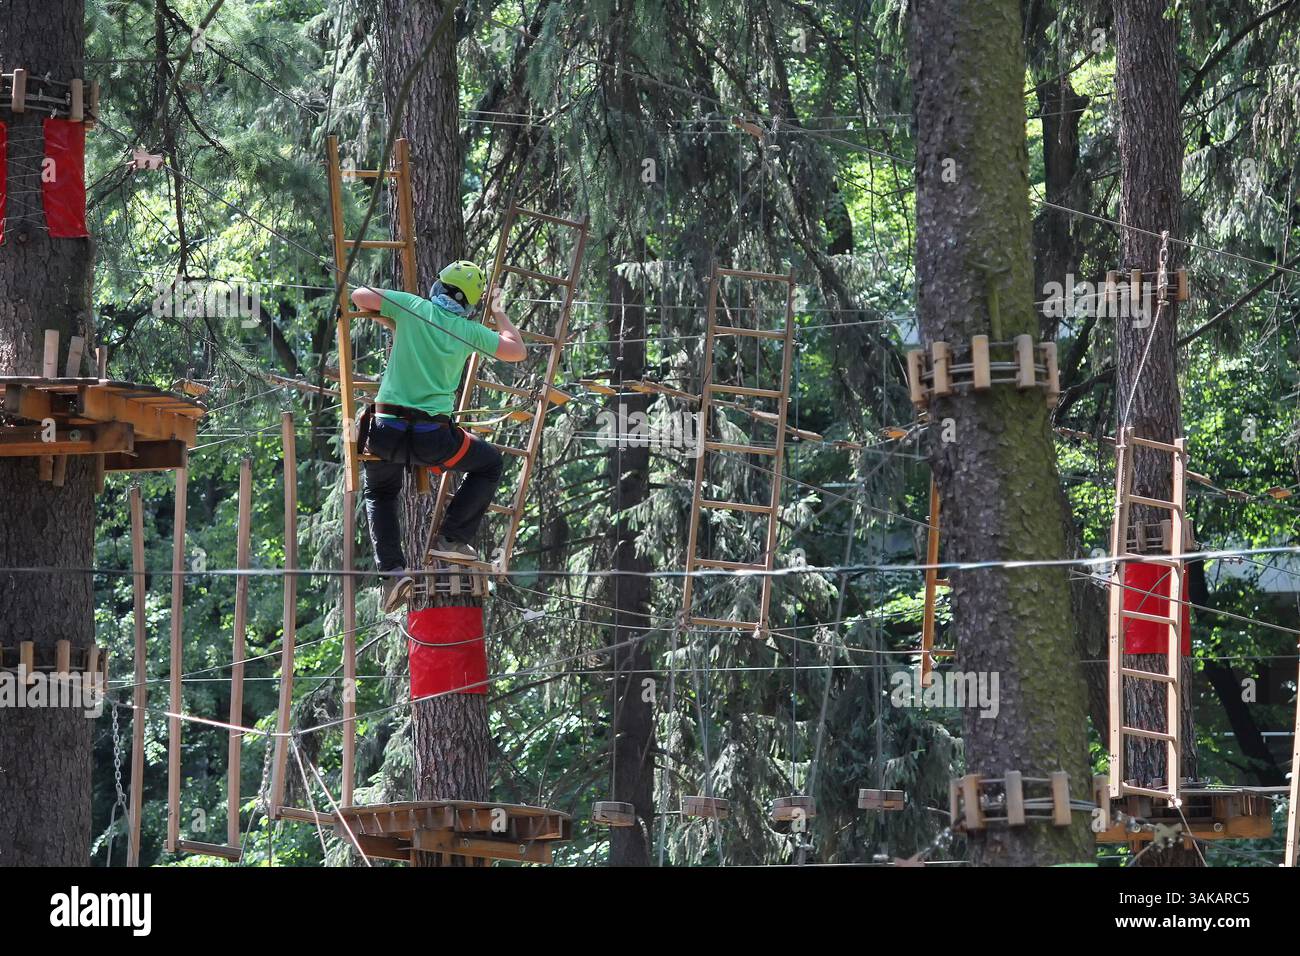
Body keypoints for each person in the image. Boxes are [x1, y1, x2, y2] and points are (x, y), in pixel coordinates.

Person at [351, 261, 527, 612]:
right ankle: (452, 538)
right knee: (489, 463)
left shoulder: (413, 307)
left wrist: (395, 312)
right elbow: (516, 350)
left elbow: (359, 295)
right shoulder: (468, 331)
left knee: (381, 492)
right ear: (469, 304)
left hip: (386, 431)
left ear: (438, 287)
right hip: (433, 439)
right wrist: (500, 313)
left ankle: (392, 572)